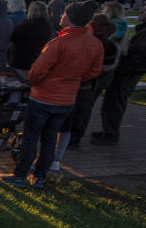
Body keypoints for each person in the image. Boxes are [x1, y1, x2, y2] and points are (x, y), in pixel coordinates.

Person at [0, 1, 102, 189]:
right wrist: (73, 79)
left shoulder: (59, 43)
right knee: (49, 138)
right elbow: (94, 71)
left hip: (44, 97)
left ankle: (20, 175)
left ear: (70, 18)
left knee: (31, 137)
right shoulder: (94, 43)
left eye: (64, 13)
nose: (61, 16)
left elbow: (37, 71)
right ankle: (39, 177)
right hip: (67, 99)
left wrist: (40, 80)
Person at [51, 14, 118, 169]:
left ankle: (67, 142)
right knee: (83, 112)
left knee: (72, 114)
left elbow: (95, 67)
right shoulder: (105, 44)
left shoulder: (95, 44)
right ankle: (74, 138)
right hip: (90, 84)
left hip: (82, 83)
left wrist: (79, 76)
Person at [92, 6, 146, 146]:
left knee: (115, 103)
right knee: (112, 102)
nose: (141, 11)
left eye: (144, 10)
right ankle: (108, 130)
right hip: (128, 72)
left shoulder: (144, 34)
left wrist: (121, 69)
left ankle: (111, 133)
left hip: (127, 74)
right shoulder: (142, 31)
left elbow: (138, 57)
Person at [8, 1, 53, 79]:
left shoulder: (25, 25)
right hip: (36, 59)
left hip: (21, 61)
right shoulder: (48, 26)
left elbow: (11, 37)